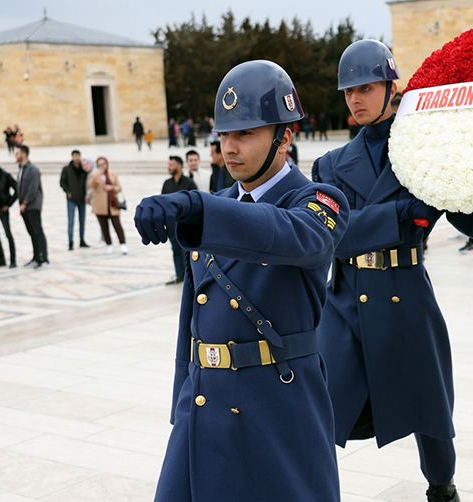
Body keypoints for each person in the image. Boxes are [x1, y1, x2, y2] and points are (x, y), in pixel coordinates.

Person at [135, 60, 348, 501]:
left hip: (276, 407)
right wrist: (183, 397)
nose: (229, 148)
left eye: (245, 134)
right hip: (204, 404)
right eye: (224, 135)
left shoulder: (319, 201)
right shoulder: (213, 208)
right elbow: (192, 319)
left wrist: (199, 208)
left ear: (285, 137)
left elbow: (292, 235)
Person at [312, 39, 473, 502]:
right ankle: (307, 487)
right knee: (318, 407)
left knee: (432, 413)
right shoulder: (331, 164)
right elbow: (333, 234)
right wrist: (403, 214)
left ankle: (442, 489)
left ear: (391, 87)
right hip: (345, 304)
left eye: (366, 87)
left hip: (407, 293)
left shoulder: (426, 150)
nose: (356, 99)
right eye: (348, 91)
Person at [161, 156, 197, 285]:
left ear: (179, 166)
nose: (169, 167)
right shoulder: (167, 183)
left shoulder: (189, 183)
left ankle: (191, 276)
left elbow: (195, 203)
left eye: (171, 165)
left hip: (186, 224)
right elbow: (163, 202)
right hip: (172, 224)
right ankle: (179, 275)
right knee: (176, 250)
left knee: (188, 251)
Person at [15, 145, 49, 268]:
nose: (15, 155)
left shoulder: (33, 169)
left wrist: (25, 203)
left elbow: (33, 189)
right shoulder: (21, 169)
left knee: (37, 231)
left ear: (24, 154)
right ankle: (36, 257)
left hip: (32, 206)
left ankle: (44, 258)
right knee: (32, 232)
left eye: (17, 153)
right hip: (24, 207)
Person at [88, 157, 127, 254]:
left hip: (112, 204)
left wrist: (112, 187)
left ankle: (123, 244)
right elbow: (91, 185)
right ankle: (109, 245)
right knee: (104, 227)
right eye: (100, 164)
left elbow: (119, 187)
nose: (102, 166)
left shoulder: (113, 175)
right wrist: (97, 174)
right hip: (100, 205)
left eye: (104, 164)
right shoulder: (94, 175)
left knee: (117, 225)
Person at [60, 150, 90, 250]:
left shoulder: (83, 169)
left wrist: (86, 195)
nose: (77, 158)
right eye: (75, 156)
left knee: (82, 220)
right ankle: (70, 241)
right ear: (72, 157)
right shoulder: (67, 169)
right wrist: (68, 191)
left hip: (81, 199)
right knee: (71, 221)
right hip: (71, 199)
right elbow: (62, 182)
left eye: (78, 156)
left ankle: (82, 240)